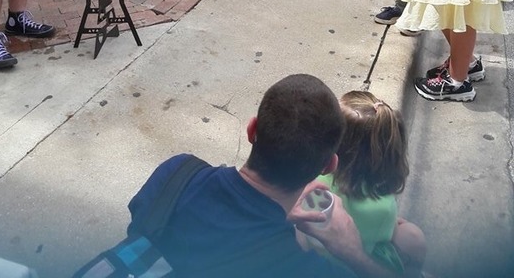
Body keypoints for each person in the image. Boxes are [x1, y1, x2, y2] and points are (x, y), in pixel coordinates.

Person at [127, 73, 405, 278]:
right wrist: (353, 253)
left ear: (251, 130)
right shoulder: (301, 267)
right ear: (329, 165)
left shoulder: (176, 173)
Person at [314, 91, 426, 277]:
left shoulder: (313, 179)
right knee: (412, 235)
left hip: (315, 261)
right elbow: (387, 233)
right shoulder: (383, 206)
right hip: (357, 266)